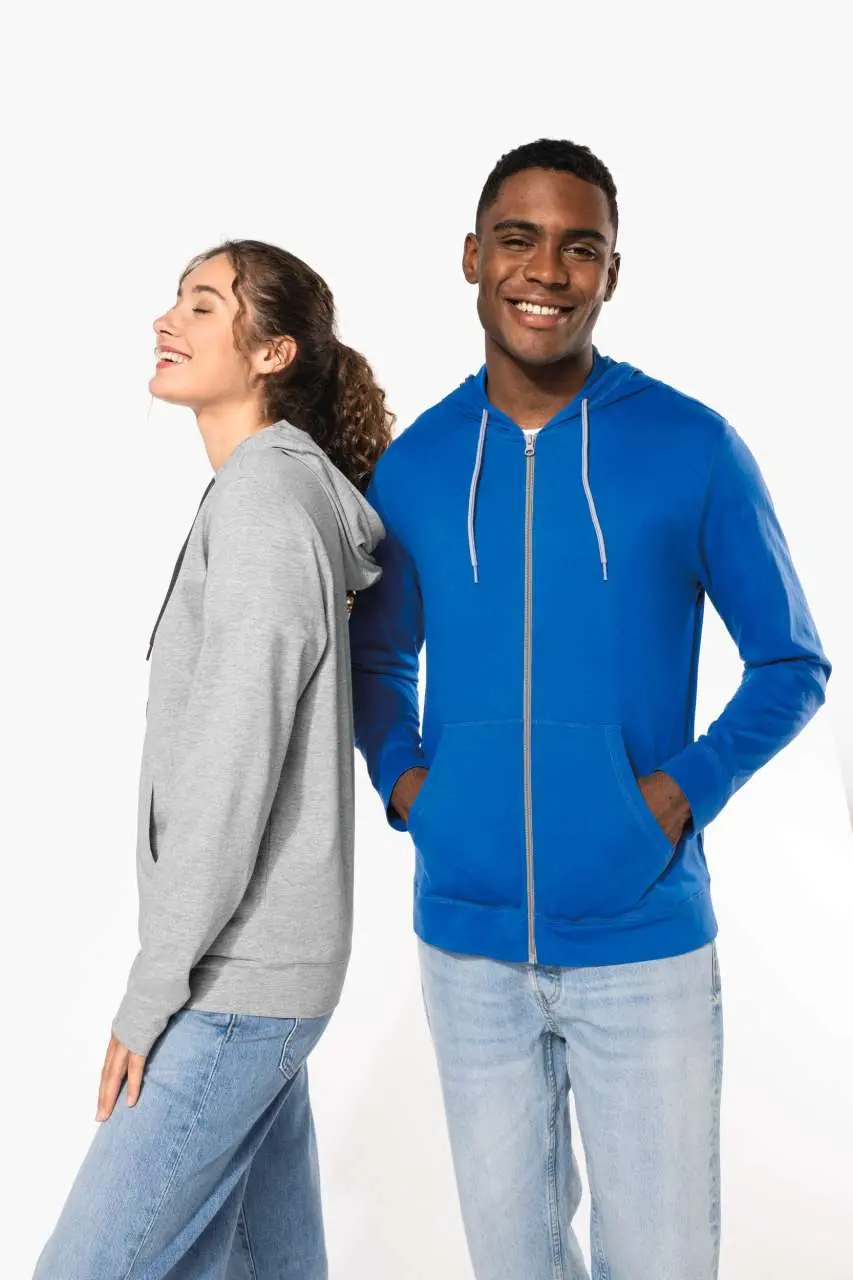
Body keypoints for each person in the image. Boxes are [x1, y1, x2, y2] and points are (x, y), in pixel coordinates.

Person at [350, 140, 830, 1279]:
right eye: (517, 239)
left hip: (640, 939)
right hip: (465, 944)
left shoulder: (691, 447)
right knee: (511, 1262)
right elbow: (377, 661)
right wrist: (413, 788)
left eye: (580, 248)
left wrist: (677, 792)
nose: (546, 271)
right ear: (472, 256)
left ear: (612, 272)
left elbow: (790, 661)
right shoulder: (417, 465)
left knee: (661, 1261)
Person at [34, 240, 389, 1279]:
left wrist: (151, 993)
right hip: (253, 973)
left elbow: (232, 777)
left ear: (273, 352)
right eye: (174, 300)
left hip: (235, 982)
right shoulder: (264, 494)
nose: (167, 320)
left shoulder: (267, 507)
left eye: (202, 304)